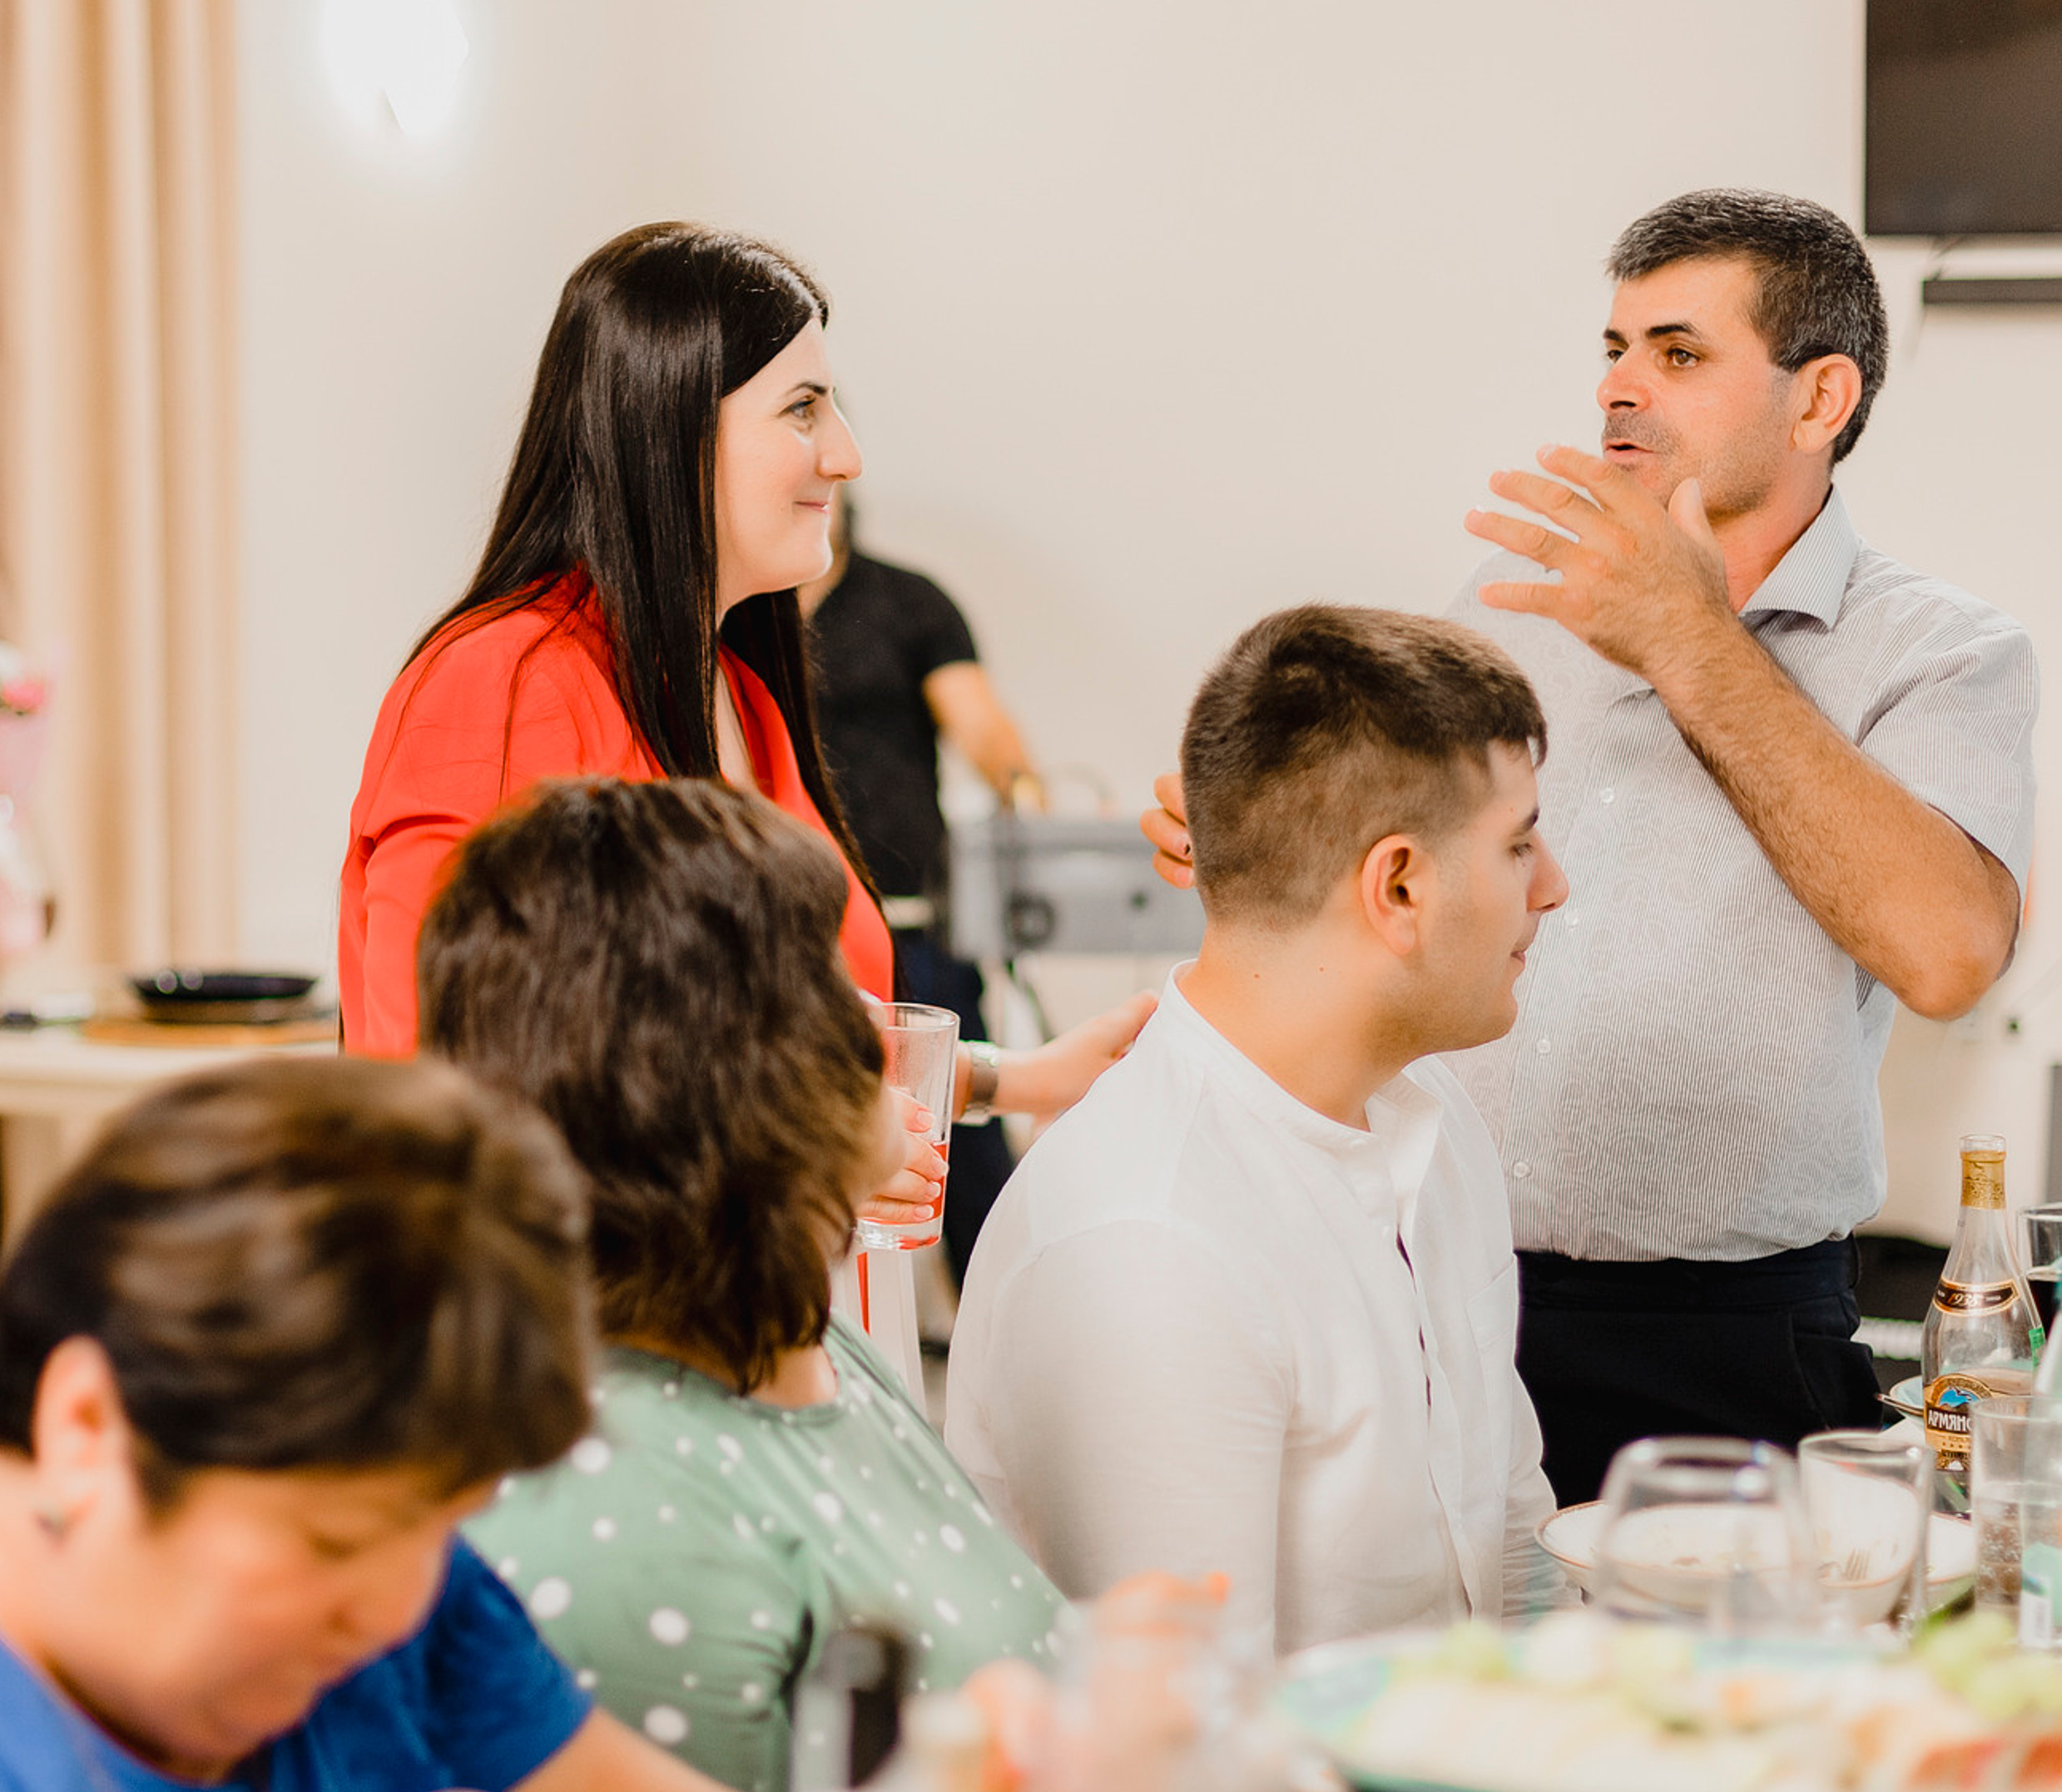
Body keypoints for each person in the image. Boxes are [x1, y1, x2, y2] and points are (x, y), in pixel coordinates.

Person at [1143, 191, 2039, 1505]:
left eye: (1678, 353)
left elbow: (1949, 954)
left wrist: (1686, 638)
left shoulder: (1944, 651)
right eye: (1614, 349)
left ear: (1820, 397)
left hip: (1725, 1343)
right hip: (1431, 1283)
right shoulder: (1518, 601)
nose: (1621, 386)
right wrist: (1258, 821)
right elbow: (1390, 859)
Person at [340, 223, 1151, 1240]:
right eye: (803, 408)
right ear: (670, 430)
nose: (846, 455)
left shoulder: (743, 695)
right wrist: (789, 1158)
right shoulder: (501, 679)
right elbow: (438, 1079)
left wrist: (1018, 1077)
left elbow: (777, 1028)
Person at [0, 1053, 788, 1792]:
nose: (395, 1613)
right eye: (330, 1543)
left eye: (444, 1527)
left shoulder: (388, 1553)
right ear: (85, 1429)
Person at [420, 777, 1068, 1792]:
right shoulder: (622, 1529)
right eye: (829, 982)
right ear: (742, 1073)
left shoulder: (803, 1341)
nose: (874, 1022)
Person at [947, 606, 1567, 1656]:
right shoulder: (1151, 1243)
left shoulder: (1435, 1119)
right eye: (1519, 844)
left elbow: (1512, 1537)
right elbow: (1190, 1723)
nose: (1552, 885)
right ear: (1399, 886)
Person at [801, 493, 1040, 1282]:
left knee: (961, 1139)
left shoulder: (909, 601)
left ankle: (1003, 1303)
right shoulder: (737, 613)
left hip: (913, 926)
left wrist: (1030, 800)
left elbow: (981, 727)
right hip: (794, 935)